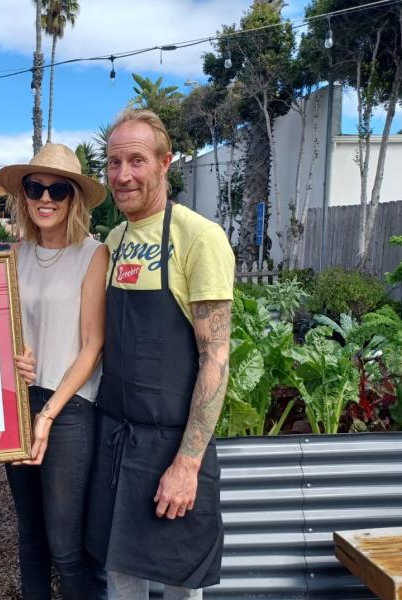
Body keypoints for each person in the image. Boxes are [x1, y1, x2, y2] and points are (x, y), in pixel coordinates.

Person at [85, 109, 234, 600]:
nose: (123, 175)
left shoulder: (199, 238)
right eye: (113, 162)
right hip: (116, 440)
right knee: (120, 577)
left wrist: (187, 463)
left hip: (171, 444)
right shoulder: (115, 240)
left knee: (178, 584)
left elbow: (215, 356)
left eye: (137, 160)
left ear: (165, 163)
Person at [0, 143, 109, 600]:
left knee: (65, 546)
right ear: (23, 195)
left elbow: (92, 345)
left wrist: (48, 415)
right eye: (35, 187)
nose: (45, 198)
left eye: (57, 189)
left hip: (70, 408)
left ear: (73, 198)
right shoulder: (13, 254)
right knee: (30, 537)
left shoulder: (92, 254)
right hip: (21, 400)